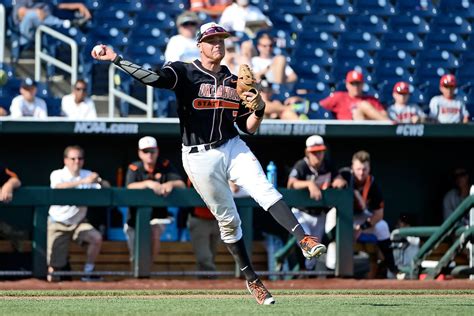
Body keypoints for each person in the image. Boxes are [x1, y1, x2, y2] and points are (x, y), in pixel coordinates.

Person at [91, 22, 326, 305]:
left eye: (222, 40)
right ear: (200, 45)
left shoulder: (232, 81)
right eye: (212, 39)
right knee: (229, 221)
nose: (218, 44)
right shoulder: (183, 71)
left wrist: (260, 109)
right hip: (198, 155)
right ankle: (252, 279)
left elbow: (248, 128)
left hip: (232, 145)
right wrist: (116, 58)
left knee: (264, 189)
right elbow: (151, 79)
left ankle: (304, 239)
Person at [47, 145, 110, 282]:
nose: (77, 161)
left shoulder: (87, 174)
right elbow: (58, 187)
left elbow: (107, 188)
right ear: (65, 160)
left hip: (78, 223)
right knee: (53, 269)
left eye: (80, 158)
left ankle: (88, 272)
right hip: (58, 222)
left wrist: (98, 180)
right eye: (73, 158)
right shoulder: (57, 174)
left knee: (96, 238)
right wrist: (83, 182)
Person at [331, 150, 397, 278]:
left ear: (369, 168)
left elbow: (379, 214)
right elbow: (334, 181)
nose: (361, 173)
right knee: (331, 232)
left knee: (382, 227)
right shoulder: (345, 174)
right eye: (358, 169)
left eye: (365, 169)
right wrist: (338, 182)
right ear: (352, 167)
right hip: (341, 215)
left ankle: (392, 268)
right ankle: (331, 272)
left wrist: (362, 228)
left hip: (359, 218)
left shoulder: (372, 184)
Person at [124, 136, 186, 265]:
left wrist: (171, 184)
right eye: (146, 151)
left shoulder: (165, 165)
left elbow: (181, 184)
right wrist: (148, 183)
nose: (149, 155)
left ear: (157, 151)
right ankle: (138, 272)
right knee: (135, 252)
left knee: (155, 234)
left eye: (152, 151)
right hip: (134, 218)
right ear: (140, 153)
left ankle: (148, 267)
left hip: (158, 215)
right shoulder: (134, 167)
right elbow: (129, 187)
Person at [285, 135, 340, 271]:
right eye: (314, 152)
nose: (318, 155)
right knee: (308, 242)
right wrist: (309, 184)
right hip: (301, 213)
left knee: (312, 257)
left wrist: (339, 180)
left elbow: (338, 177)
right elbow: (291, 183)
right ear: (307, 153)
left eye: (320, 151)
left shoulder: (328, 165)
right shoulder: (302, 165)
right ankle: (300, 273)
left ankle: (309, 279)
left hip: (320, 215)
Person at [13, 0, 91, 47]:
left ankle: (64, 23)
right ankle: (65, 23)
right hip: (26, 33)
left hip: (44, 28)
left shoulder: (45, 1)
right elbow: (20, 12)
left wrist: (79, 5)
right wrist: (36, 11)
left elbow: (57, 6)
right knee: (31, 16)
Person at [320, 70, 389, 121]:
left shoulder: (371, 99)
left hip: (370, 132)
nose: (355, 87)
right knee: (360, 108)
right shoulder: (339, 97)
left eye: (358, 83)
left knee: (363, 105)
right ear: (347, 85)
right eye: (352, 84)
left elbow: (383, 114)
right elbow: (320, 106)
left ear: (362, 85)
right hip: (345, 131)